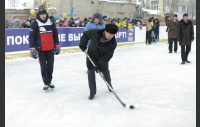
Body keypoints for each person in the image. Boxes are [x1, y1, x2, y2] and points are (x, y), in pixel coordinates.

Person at [79, 24, 118, 100]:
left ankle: (109, 86)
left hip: (102, 59)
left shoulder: (113, 43)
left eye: (113, 35)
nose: (111, 36)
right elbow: (86, 35)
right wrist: (83, 44)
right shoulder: (95, 33)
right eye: (109, 34)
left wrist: (99, 64)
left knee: (105, 72)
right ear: (105, 31)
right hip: (91, 56)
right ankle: (92, 92)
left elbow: (108, 56)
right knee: (91, 73)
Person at [29, 4, 61, 90]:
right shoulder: (35, 24)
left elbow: (55, 35)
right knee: (43, 66)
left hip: (50, 48)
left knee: (50, 66)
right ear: (39, 14)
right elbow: (32, 37)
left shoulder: (51, 22)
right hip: (41, 49)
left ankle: (49, 81)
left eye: (45, 14)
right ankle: (46, 83)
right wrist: (32, 48)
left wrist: (57, 45)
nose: (44, 15)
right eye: (42, 14)